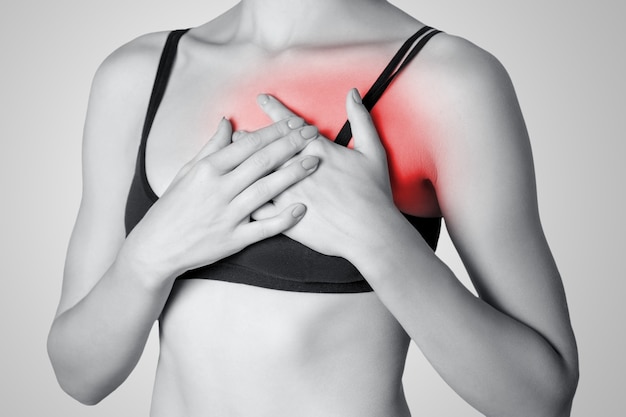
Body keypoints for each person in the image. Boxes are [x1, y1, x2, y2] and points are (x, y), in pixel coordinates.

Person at [47, 1, 579, 416]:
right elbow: (80, 376)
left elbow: (538, 399)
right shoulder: (135, 76)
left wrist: (382, 243)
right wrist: (149, 256)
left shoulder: (449, 81)